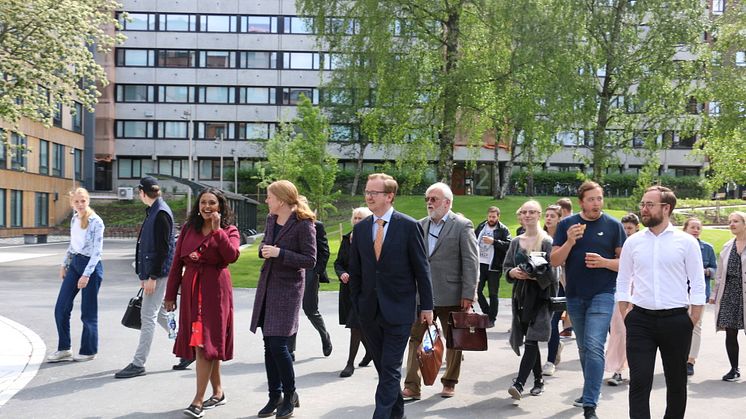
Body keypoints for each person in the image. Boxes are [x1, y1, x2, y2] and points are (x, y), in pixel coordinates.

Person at [348, 173, 434, 419]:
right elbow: (356, 270)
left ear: (389, 196)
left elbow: (422, 269)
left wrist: (427, 306)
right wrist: (357, 301)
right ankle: (398, 415)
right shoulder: (362, 228)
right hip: (368, 311)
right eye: (367, 192)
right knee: (385, 370)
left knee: (390, 367)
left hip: (399, 310)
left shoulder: (409, 226)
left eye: (374, 193)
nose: (368, 197)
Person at [617, 186, 705, 419]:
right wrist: (625, 312)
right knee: (639, 381)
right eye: (643, 204)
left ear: (666, 208)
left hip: (677, 320)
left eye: (649, 205)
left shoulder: (686, 242)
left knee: (676, 382)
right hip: (640, 320)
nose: (643, 209)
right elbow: (623, 279)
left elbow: (697, 282)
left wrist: (693, 318)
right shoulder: (633, 242)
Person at [550, 181, 626, 419]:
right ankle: (589, 390)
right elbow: (553, 260)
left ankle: (590, 404)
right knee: (584, 348)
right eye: (591, 199)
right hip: (574, 295)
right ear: (581, 202)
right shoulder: (566, 225)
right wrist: (570, 242)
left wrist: (604, 262)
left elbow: (626, 265)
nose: (596, 203)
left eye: (600, 198)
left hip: (603, 294)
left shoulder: (614, 226)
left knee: (594, 345)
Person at [164, 188, 241, 419]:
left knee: (205, 343)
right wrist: (169, 295)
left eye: (212, 203)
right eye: (203, 202)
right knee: (204, 344)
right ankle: (218, 393)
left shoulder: (230, 230)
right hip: (191, 291)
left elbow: (231, 256)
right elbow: (177, 264)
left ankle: (198, 400)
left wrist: (218, 232)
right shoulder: (189, 229)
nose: (207, 206)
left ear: (220, 206)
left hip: (215, 291)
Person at [402, 182, 479, 399]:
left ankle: (449, 382)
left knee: (454, 340)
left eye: (433, 199)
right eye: (427, 198)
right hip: (422, 295)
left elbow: (471, 262)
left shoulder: (462, 225)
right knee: (416, 338)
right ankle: (412, 386)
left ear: (447, 202)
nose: (429, 202)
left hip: (452, 293)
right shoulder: (419, 225)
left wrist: (468, 293)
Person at [250, 180, 317, 419]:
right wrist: (264, 250)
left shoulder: (303, 223)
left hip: (288, 290)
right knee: (269, 345)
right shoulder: (271, 219)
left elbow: (310, 260)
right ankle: (274, 395)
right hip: (268, 286)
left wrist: (280, 253)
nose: (266, 200)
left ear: (280, 199)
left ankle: (290, 394)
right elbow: (264, 244)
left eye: (269, 196)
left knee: (278, 345)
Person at [115, 177, 176, 379]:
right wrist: (145, 274)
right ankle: (189, 346)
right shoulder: (156, 210)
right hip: (153, 273)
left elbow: (162, 249)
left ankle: (138, 363)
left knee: (147, 316)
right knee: (157, 314)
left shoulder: (160, 213)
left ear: (142, 192)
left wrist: (151, 276)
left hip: (157, 274)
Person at [504, 200, 557, 402]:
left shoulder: (547, 241)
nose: (528, 215)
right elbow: (506, 268)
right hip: (521, 297)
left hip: (542, 297)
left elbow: (554, 273)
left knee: (533, 340)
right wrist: (514, 272)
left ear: (539, 215)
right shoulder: (516, 241)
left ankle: (519, 383)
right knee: (529, 340)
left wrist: (535, 275)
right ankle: (538, 381)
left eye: (532, 212)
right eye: (524, 212)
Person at [47, 188, 105, 363]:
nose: (80, 204)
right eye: (77, 201)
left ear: (88, 201)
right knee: (61, 308)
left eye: (83, 201)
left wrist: (86, 275)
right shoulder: (74, 218)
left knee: (88, 312)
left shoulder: (96, 222)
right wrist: (64, 264)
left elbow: (97, 252)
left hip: (92, 268)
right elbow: (73, 245)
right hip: (75, 264)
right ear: (72, 203)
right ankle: (64, 349)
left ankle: (89, 350)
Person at [289, 196, 332, 360]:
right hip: (291, 273)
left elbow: (324, 251)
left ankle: (324, 336)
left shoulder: (316, 226)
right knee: (291, 311)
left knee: (310, 310)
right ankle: (290, 349)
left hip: (310, 272)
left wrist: (316, 272)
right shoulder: (287, 225)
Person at [335, 207, 373, 377]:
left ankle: (349, 363)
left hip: (364, 289)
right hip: (347, 289)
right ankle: (371, 351)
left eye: (361, 218)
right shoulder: (346, 239)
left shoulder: (372, 239)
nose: (357, 221)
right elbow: (338, 262)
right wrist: (341, 273)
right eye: (355, 218)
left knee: (355, 325)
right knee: (357, 325)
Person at [709, 211, 746, 382]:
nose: (731, 224)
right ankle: (734, 369)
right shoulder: (727, 246)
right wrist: (715, 295)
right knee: (730, 333)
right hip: (730, 293)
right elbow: (720, 275)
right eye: (730, 221)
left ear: (744, 224)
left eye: (736, 221)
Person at [604, 213, 639, 387]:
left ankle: (637, 369)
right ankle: (617, 370)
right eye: (624, 229)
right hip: (621, 293)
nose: (626, 232)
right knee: (618, 331)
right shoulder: (616, 246)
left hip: (640, 294)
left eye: (630, 229)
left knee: (637, 334)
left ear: (637, 228)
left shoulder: (641, 244)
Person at [683, 217, 717, 376]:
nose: (696, 230)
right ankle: (679, 357)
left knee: (696, 326)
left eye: (698, 228)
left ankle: (690, 360)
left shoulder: (707, 248)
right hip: (679, 292)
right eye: (693, 227)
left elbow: (715, 270)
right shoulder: (679, 245)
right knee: (678, 325)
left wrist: (706, 271)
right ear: (685, 229)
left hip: (698, 292)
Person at [474, 206, 512, 328]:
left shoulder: (503, 229)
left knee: (493, 293)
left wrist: (494, 242)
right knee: (477, 291)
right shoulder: (481, 226)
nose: (491, 219)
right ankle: (487, 313)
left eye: (493, 217)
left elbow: (509, 245)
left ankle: (492, 318)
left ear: (498, 217)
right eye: (489, 216)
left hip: (494, 266)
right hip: (480, 264)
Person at [542, 205, 565, 377]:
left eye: (552, 216)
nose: (548, 218)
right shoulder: (540, 237)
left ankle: (550, 361)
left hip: (561, 285)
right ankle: (556, 345)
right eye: (547, 215)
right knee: (544, 323)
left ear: (559, 218)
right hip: (542, 286)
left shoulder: (564, 238)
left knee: (552, 322)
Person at [556, 197, 574, 338]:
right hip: (562, 267)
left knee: (567, 296)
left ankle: (568, 327)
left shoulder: (569, 225)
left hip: (568, 268)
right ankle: (567, 327)